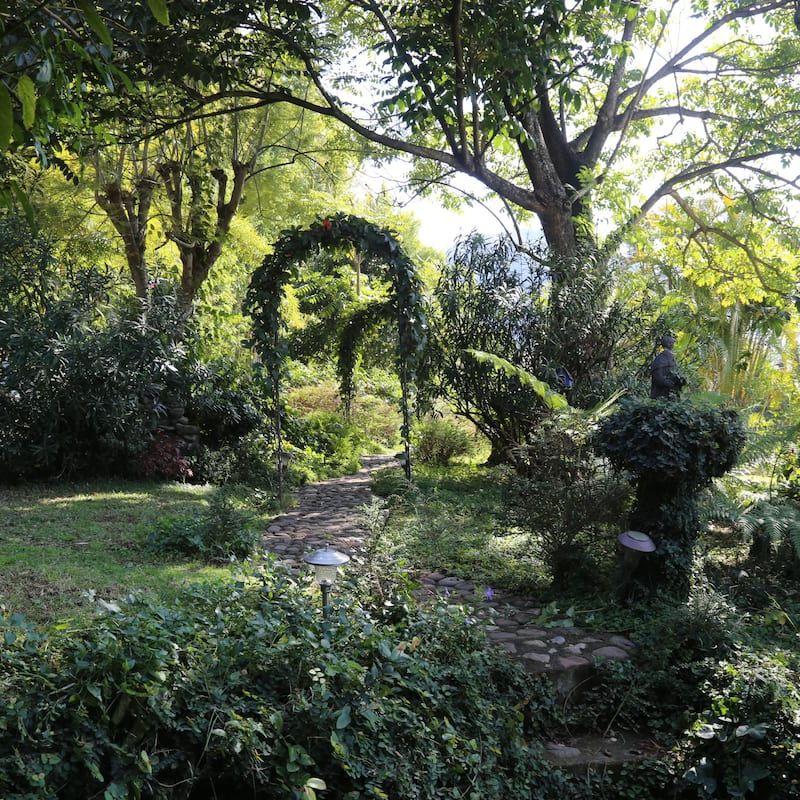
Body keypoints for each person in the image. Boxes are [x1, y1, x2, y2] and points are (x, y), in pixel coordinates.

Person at [650, 334, 685, 399]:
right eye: (672, 343)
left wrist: (681, 380)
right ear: (669, 344)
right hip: (661, 394)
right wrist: (666, 382)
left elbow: (676, 373)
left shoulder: (672, 358)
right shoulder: (660, 358)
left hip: (672, 393)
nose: (673, 344)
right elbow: (657, 375)